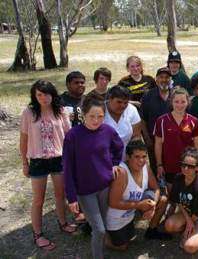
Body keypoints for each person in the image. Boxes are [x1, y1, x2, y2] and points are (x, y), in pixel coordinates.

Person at [63, 98, 123, 259]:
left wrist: (114, 164)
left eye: (100, 116)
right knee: (99, 229)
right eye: (92, 116)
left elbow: (118, 147)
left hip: (104, 186)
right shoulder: (73, 136)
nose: (96, 120)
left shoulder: (108, 131)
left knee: (102, 223)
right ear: (83, 115)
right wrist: (71, 197)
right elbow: (67, 168)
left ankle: (100, 248)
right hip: (85, 190)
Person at [20, 80, 76, 251]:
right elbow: (24, 139)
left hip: (58, 159)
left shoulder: (60, 111)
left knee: (61, 194)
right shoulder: (29, 113)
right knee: (39, 200)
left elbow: (69, 137)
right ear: (34, 96)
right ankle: (37, 234)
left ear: (53, 94)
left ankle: (63, 222)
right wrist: (25, 162)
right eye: (39, 95)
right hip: (37, 161)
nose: (44, 98)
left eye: (47, 94)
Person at [106, 140, 170, 250]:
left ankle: (152, 230)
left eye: (144, 156)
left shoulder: (146, 167)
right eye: (136, 157)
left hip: (131, 212)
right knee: (123, 246)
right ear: (128, 157)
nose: (141, 160)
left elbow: (156, 189)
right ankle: (104, 237)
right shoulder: (122, 173)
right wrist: (139, 205)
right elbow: (113, 203)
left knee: (163, 199)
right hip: (117, 217)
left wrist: (152, 205)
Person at [165, 147, 198, 254]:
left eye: (191, 166)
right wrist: (188, 221)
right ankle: (192, 233)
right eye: (183, 164)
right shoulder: (178, 178)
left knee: (189, 247)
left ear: (197, 167)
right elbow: (179, 201)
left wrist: (190, 224)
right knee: (169, 226)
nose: (186, 169)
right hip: (188, 212)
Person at [154, 87, 198, 186]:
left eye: (183, 102)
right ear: (171, 102)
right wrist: (159, 164)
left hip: (189, 166)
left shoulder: (193, 121)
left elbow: (197, 144)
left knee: (188, 194)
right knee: (171, 193)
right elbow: (158, 144)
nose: (180, 105)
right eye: (176, 101)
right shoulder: (161, 120)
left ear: (188, 102)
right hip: (169, 165)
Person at [141, 67, 173, 173]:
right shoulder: (148, 96)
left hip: (172, 140)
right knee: (156, 168)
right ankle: (158, 188)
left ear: (171, 80)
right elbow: (143, 119)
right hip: (153, 140)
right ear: (156, 79)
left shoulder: (176, 95)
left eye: (167, 77)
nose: (164, 80)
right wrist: (147, 138)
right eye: (161, 77)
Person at [104, 86, 142, 161]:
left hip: (126, 158)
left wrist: (132, 155)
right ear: (110, 99)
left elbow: (136, 136)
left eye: (126, 103)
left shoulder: (132, 110)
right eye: (119, 102)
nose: (123, 106)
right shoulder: (100, 110)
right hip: (104, 158)